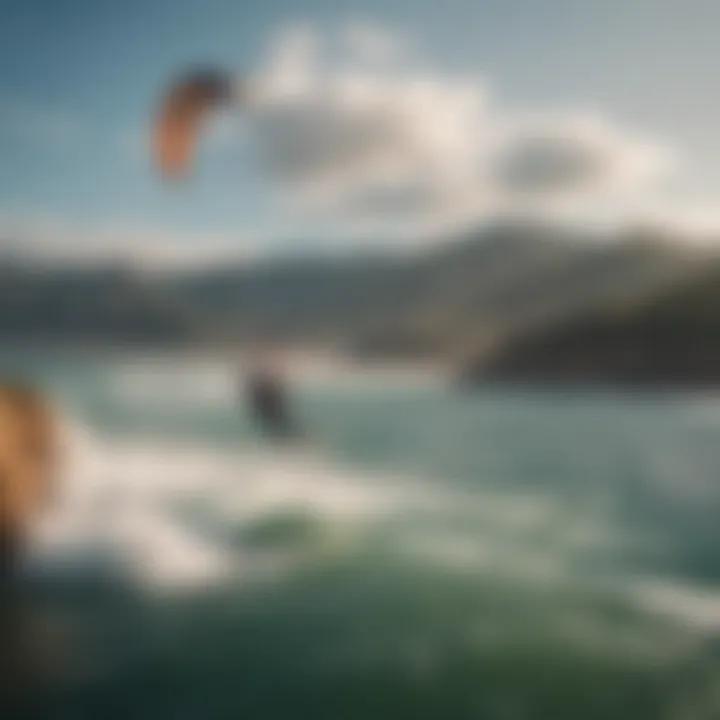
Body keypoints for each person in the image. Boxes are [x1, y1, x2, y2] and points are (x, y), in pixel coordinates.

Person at [244, 354, 298, 441]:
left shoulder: (260, 386)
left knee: (279, 423)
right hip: (270, 410)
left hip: (270, 411)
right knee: (278, 423)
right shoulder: (261, 387)